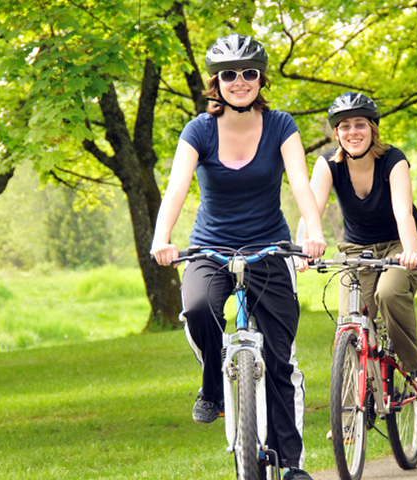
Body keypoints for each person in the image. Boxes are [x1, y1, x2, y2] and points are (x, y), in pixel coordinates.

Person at [149, 34, 325, 480]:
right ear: (217, 82)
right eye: (230, 74)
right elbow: (177, 186)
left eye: (249, 73)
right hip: (210, 247)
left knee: (281, 361)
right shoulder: (199, 130)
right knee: (198, 308)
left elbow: (301, 184)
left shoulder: (281, 124)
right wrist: (161, 237)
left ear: (260, 78)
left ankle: (291, 464)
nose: (240, 81)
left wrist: (315, 232)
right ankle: (213, 384)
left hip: (270, 247)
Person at [299, 92, 417, 388]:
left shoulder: (392, 160)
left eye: (360, 124)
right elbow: (311, 211)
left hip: (399, 244)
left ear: (373, 128)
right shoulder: (328, 164)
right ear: (336, 133)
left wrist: (410, 251)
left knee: (387, 293)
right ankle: (349, 413)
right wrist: (302, 249)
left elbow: (403, 213)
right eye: (344, 126)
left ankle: (414, 362)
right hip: (357, 250)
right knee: (350, 324)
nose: (352, 132)